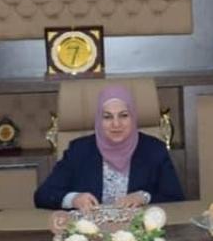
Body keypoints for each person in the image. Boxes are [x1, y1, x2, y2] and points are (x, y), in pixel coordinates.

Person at [34, 84, 184, 210]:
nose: (116, 124)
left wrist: (144, 197)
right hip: (91, 230)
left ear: (133, 117)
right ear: (99, 120)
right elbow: (43, 195)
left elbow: (176, 198)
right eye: (107, 117)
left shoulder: (154, 150)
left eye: (123, 115)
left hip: (138, 231)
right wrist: (73, 199)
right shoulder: (79, 150)